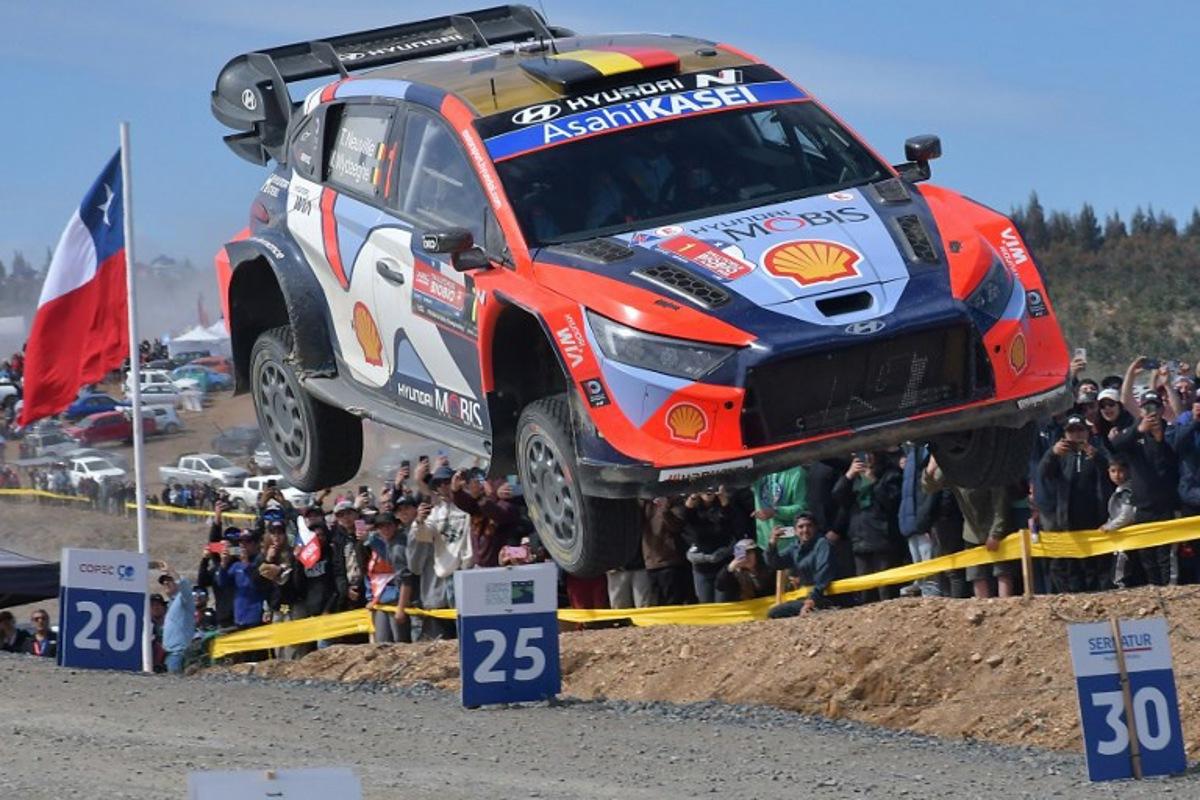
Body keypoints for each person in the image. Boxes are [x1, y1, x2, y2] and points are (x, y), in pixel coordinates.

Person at [922, 456, 1017, 599]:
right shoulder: (952, 468)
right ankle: (982, 610)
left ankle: (1006, 611)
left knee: (1002, 571)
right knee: (976, 574)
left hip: (996, 528)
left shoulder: (989, 465)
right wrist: (930, 470)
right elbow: (929, 487)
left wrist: (996, 533)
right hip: (972, 531)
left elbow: (1000, 502)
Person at [1112, 390, 1180, 585]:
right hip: (1142, 505)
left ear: (1162, 409)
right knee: (1146, 554)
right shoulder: (1134, 432)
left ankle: (1169, 588)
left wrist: (1160, 441)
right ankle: (1153, 587)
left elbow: (1172, 463)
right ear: (1140, 410)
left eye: (1155, 407)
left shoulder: (1170, 430)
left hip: (1166, 504)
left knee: (1165, 554)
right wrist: (1139, 429)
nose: (1152, 412)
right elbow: (1116, 445)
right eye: (1147, 407)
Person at [1039, 414, 1111, 592]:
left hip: (1095, 518)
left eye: (1080, 430)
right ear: (1065, 434)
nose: (1077, 435)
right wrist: (1052, 454)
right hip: (1068, 519)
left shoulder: (1098, 448)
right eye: (1072, 431)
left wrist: (1097, 457)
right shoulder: (1061, 454)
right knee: (1072, 567)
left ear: (1087, 432)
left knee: (1096, 566)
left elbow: (1113, 471)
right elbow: (1043, 473)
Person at [833, 452, 902, 603]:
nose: (867, 458)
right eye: (862, 454)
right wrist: (849, 475)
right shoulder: (855, 478)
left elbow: (891, 502)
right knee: (865, 591)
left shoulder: (890, 474)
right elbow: (838, 495)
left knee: (886, 590)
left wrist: (874, 482)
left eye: (870, 453)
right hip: (859, 540)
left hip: (883, 539)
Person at [764, 513, 838, 618]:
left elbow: (824, 573)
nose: (805, 530)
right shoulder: (795, 548)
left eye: (809, 526)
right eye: (801, 527)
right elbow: (775, 563)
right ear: (795, 531)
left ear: (815, 528)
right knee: (774, 613)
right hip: (806, 597)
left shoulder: (822, 544)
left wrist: (812, 599)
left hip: (825, 597)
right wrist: (772, 544)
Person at [364, 511, 414, 644]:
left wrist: (401, 608)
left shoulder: (398, 546)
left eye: (388, 525)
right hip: (389, 598)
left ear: (395, 526)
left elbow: (406, 579)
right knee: (385, 643)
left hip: (400, 599)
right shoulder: (390, 543)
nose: (385, 529)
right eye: (381, 526)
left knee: (400, 643)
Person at [682, 486, 737, 603]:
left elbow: (730, 522)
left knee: (723, 602)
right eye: (705, 488)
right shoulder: (695, 511)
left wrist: (723, 500)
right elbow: (686, 514)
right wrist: (693, 495)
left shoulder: (724, 506)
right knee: (705, 603)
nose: (708, 491)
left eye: (712, 488)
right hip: (702, 566)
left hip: (723, 564)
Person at [216, 530, 269, 631]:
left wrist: (246, 563)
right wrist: (223, 564)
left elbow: (259, 584)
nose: (243, 545)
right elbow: (222, 583)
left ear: (256, 544)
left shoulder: (261, 562)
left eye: (247, 541)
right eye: (240, 542)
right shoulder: (236, 565)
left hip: (256, 618)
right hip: (239, 617)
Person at [1100, 456, 1137, 588]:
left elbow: (1127, 516)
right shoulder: (1118, 490)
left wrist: (1109, 526)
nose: (1117, 475)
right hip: (1118, 536)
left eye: (1120, 471)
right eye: (1113, 471)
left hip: (1126, 536)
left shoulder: (1128, 490)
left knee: (1120, 574)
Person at [158, 566, 196, 674]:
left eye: (169, 581)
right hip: (168, 653)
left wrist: (172, 572)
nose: (166, 583)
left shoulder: (183, 599)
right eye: (164, 582)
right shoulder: (170, 604)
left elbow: (185, 585)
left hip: (179, 652)